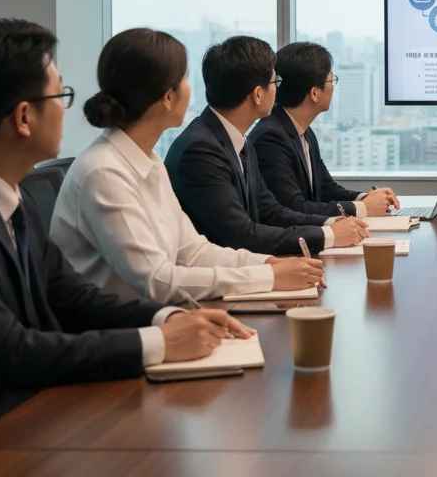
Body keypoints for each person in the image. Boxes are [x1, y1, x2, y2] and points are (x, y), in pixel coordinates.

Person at [0, 20, 249, 467]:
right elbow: (9, 354)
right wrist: (160, 342)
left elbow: (72, 297)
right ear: (23, 117)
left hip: (27, 417)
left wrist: (170, 315)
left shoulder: (9, 195)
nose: (69, 109)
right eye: (59, 96)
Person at [51, 29, 325, 304]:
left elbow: (193, 252)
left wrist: (268, 264)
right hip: (117, 334)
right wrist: (268, 277)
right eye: (183, 78)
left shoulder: (148, 161)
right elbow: (156, 280)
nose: (191, 89)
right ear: (167, 97)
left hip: (153, 319)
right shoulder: (104, 172)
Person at [165, 36, 369, 256]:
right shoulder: (201, 151)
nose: (278, 91)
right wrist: (328, 235)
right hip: (220, 282)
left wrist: (332, 224)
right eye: (275, 83)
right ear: (258, 94)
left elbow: (271, 212)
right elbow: (241, 235)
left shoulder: (236, 140)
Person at [251, 42, 400, 218]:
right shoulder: (270, 138)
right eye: (331, 80)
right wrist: (362, 208)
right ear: (314, 93)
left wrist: (367, 198)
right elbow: (293, 207)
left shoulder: (303, 130)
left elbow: (326, 188)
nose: (332, 87)